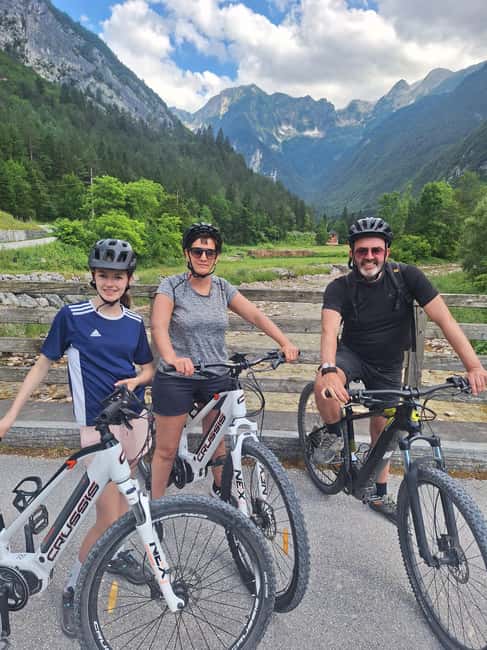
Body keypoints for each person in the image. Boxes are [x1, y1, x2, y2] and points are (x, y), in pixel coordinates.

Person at [0, 239, 154, 636]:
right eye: (103, 275)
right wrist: (11, 415)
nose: (110, 283)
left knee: (124, 508)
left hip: (134, 423)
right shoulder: (73, 317)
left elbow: (148, 368)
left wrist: (137, 380)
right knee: (106, 517)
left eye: (117, 277)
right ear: (93, 277)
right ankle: (73, 588)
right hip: (97, 430)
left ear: (129, 279)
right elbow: (41, 366)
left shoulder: (134, 322)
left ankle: (114, 554)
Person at [314, 217, 487, 523]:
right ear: (352, 253)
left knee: (386, 426)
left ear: (387, 252)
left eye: (376, 250)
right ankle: (332, 434)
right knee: (323, 385)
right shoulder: (339, 287)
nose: (369, 257)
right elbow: (329, 331)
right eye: (362, 251)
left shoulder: (408, 277)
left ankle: (379, 493)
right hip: (351, 355)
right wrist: (328, 369)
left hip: (389, 362)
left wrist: (473, 365)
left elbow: (444, 319)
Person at [150, 222, 299, 499]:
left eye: (209, 252)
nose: (203, 257)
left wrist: (284, 342)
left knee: (217, 441)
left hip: (216, 373)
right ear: (187, 253)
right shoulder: (171, 286)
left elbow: (255, 315)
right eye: (197, 251)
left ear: (217, 256)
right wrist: (172, 358)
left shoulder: (222, 288)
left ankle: (224, 495)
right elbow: (159, 327)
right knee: (166, 450)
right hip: (177, 376)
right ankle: (154, 508)